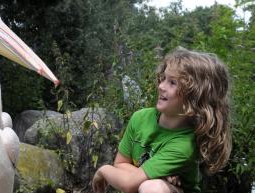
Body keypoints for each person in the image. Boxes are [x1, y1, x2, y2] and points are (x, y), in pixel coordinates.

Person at [92, 47, 232, 193]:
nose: (160, 86)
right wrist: (148, 175)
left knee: (152, 188)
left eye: (172, 82)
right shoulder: (140, 118)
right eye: (163, 78)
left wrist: (104, 170)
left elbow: (127, 184)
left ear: (195, 98)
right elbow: (120, 164)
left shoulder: (185, 145)